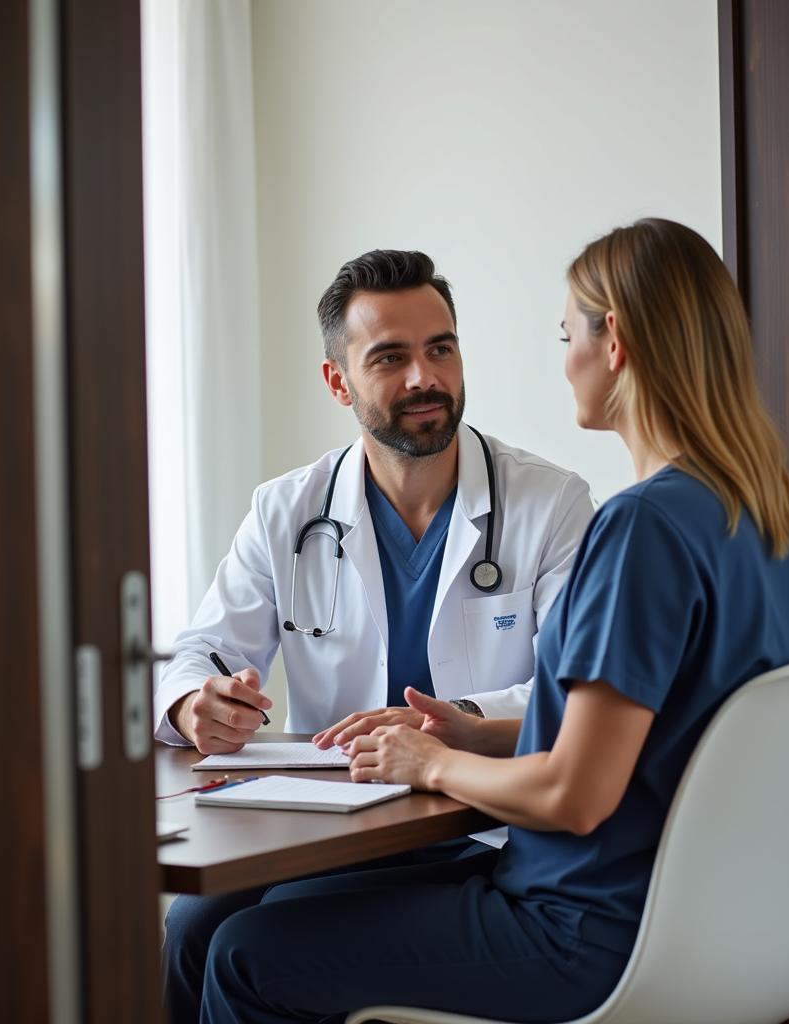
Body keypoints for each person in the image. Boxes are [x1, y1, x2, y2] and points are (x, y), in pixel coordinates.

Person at [195, 219, 789, 1024]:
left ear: (617, 346)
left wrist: (427, 762)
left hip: (582, 922)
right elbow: (657, 726)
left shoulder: (643, 527)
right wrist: (468, 731)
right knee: (212, 925)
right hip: (725, 916)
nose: (562, 355)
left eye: (567, 331)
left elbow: (575, 794)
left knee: (244, 956)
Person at [156, 249, 595, 1022]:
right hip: (337, 824)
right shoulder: (286, 511)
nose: (425, 378)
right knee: (189, 925)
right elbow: (200, 651)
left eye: (441, 349)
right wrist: (197, 701)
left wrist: (443, 720)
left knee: (241, 940)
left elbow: (571, 698)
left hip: (479, 831)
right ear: (338, 382)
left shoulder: (550, 504)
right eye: (391, 358)